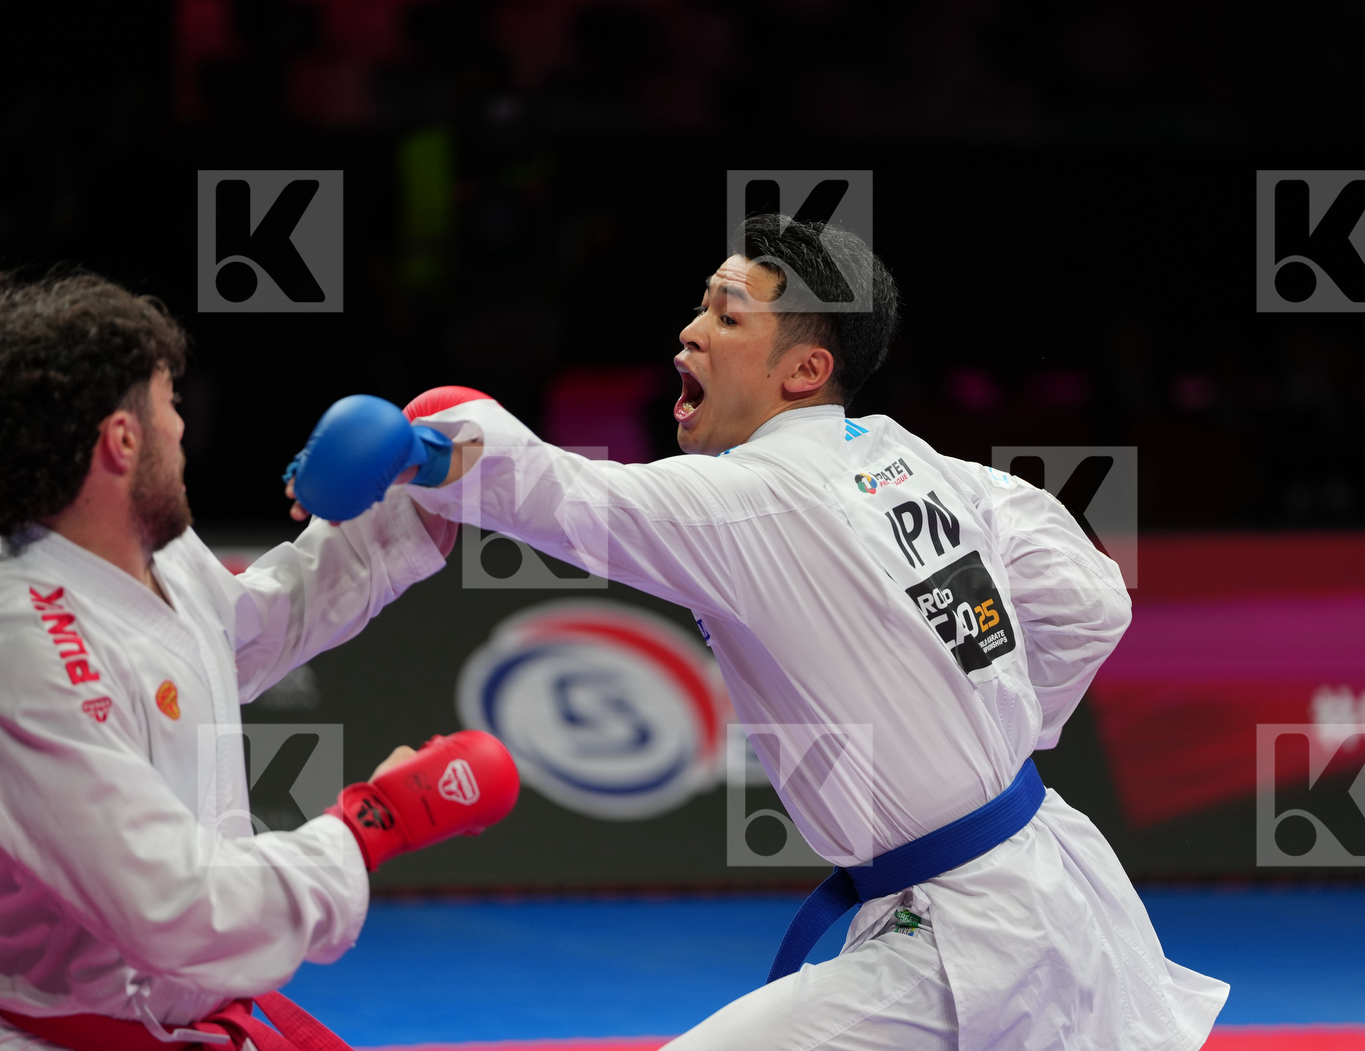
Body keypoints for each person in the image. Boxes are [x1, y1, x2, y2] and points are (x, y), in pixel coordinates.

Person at [288, 215, 1229, 1049]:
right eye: (700, 309)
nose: (689, 334)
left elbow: (568, 498)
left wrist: (428, 442)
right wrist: (988, 736)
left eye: (728, 318)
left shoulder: (757, 496)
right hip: (1042, 881)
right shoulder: (914, 460)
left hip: (968, 942)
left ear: (805, 371)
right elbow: (1090, 600)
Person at [0, 272, 519, 1051]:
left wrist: (411, 481)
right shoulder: (26, 639)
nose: (183, 427)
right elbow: (172, 906)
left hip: (201, 1025)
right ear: (122, 440)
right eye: (169, 403)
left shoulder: (157, 558)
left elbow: (248, 631)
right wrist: (373, 821)